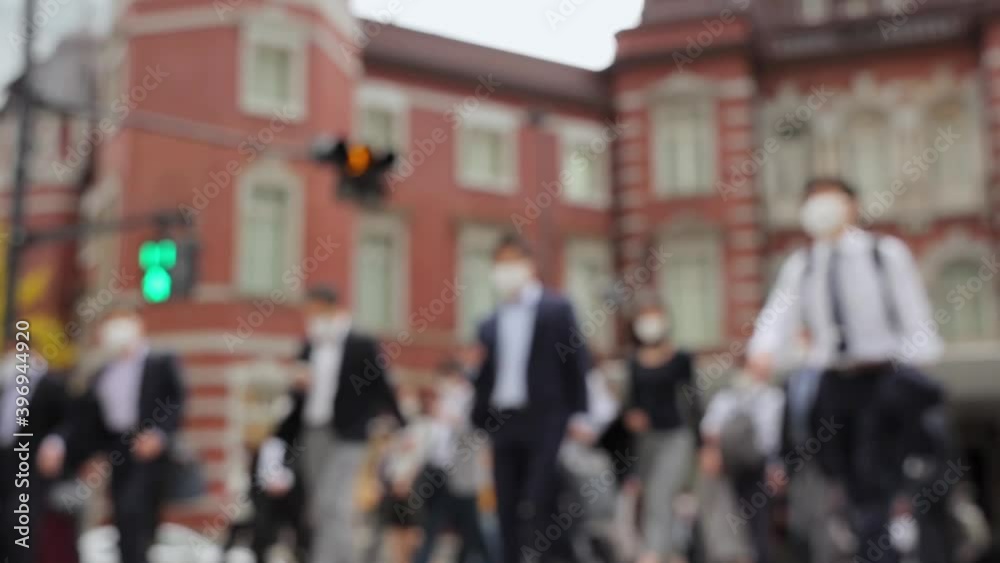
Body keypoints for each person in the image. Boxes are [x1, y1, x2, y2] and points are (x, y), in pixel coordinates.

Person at [746, 177, 945, 563]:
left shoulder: (884, 253)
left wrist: (918, 366)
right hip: (833, 384)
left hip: (883, 379)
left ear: (852, 206)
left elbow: (914, 313)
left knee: (877, 479)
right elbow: (778, 314)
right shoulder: (802, 264)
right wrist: (763, 351)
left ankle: (881, 549)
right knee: (844, 479)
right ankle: (872, 542)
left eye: (830, 200)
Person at [261, 284, 405, 563]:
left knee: (334, 504)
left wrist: (401, 423)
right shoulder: (309, 346)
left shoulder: (360, 343)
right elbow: (295, 402)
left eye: (315, 312)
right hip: (314, 434)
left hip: (348, 435)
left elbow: (381, 387)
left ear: (331, 309)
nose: (311, 318)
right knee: (318, 509)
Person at [470, 233, 590, 563]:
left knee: (539, 499)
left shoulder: (556, 309)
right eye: (499, 263)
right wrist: (479, 422)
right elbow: (484, 378)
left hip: (545, 418)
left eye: (512, 262)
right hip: (503, 421)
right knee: (505, 505)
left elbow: (576, 362)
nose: (505, 270)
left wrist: (580, 414)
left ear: (528, 264)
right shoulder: (489, 322)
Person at [38, 305, 186, 563]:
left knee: (138, 515)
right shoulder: (102, 373)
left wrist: (159, 436)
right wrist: (68, 448)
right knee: (123, 515)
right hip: (119, 448)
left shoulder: (160, 362)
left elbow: (175, 402)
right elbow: (84, 421)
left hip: (149, 449)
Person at [622, 295, 697, 563]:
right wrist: (632, 417)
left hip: (676, 436)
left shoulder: (680, 358)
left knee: (662, 492)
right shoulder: (633, 361)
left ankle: (653, 552)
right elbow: (630, 402)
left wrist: (700, 444)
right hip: (646, 440)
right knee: (650, 494)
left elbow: (692, 401)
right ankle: (673, 551)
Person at [412, 358, 493, 563]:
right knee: (451, 526)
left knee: (465, 527)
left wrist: (453, 420)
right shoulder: (445, 399)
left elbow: (477, 431)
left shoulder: (471, 398)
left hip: (461, 473)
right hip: (439, 469)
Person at [699, 373, 785, 563]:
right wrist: (714, 451)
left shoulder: (772, 397)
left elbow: (770, 438)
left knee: (759, 522)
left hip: (757, 467)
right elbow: (709, 428)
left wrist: (773, 466)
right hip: (727, 469)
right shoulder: (726, 396)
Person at [0, 346, 70, 563]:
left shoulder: (52, 385)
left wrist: (56, 443)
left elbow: (69, 421)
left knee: (19, 525)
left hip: (31, 467)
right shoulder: (5, 387)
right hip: (4, 465)